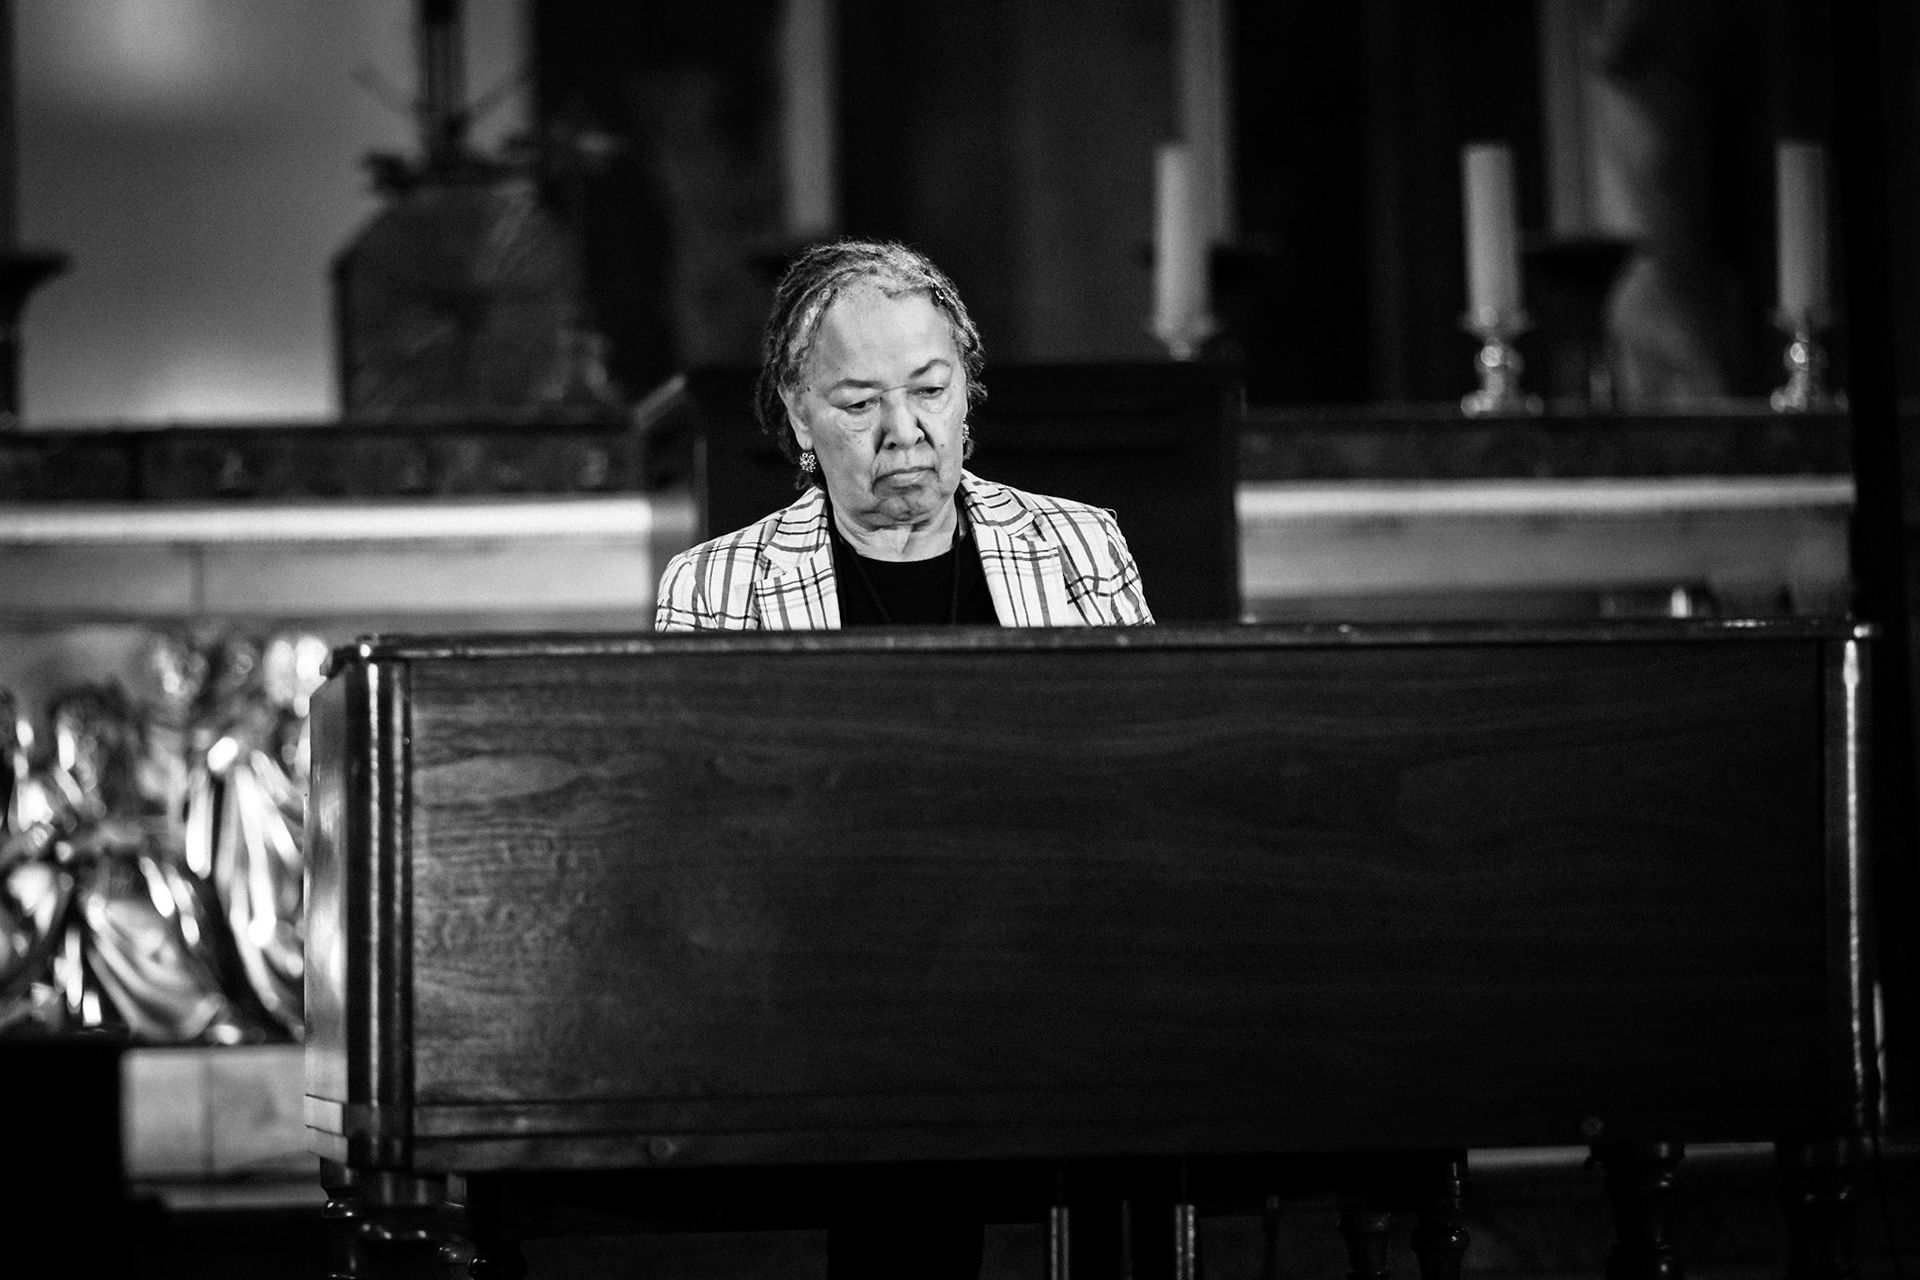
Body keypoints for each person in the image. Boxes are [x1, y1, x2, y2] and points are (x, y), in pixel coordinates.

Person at [655, 239, 1154, 632]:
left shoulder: (1078, 544)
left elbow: (1147, 743)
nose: (903, 432)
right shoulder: (714, 588)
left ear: (966, 389)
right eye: (860, 403)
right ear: (800, 415)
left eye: (930, 389)